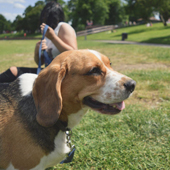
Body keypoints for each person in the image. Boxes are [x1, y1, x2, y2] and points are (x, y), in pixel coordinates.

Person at [0, 1, 77, 83]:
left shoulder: (63, 26)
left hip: (62, 75)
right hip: (49, 72)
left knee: (15, 73)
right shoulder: (49, 33)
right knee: (14, 71)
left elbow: (74, 54)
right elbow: (40, 63)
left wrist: (53, 38)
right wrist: (37, 51)